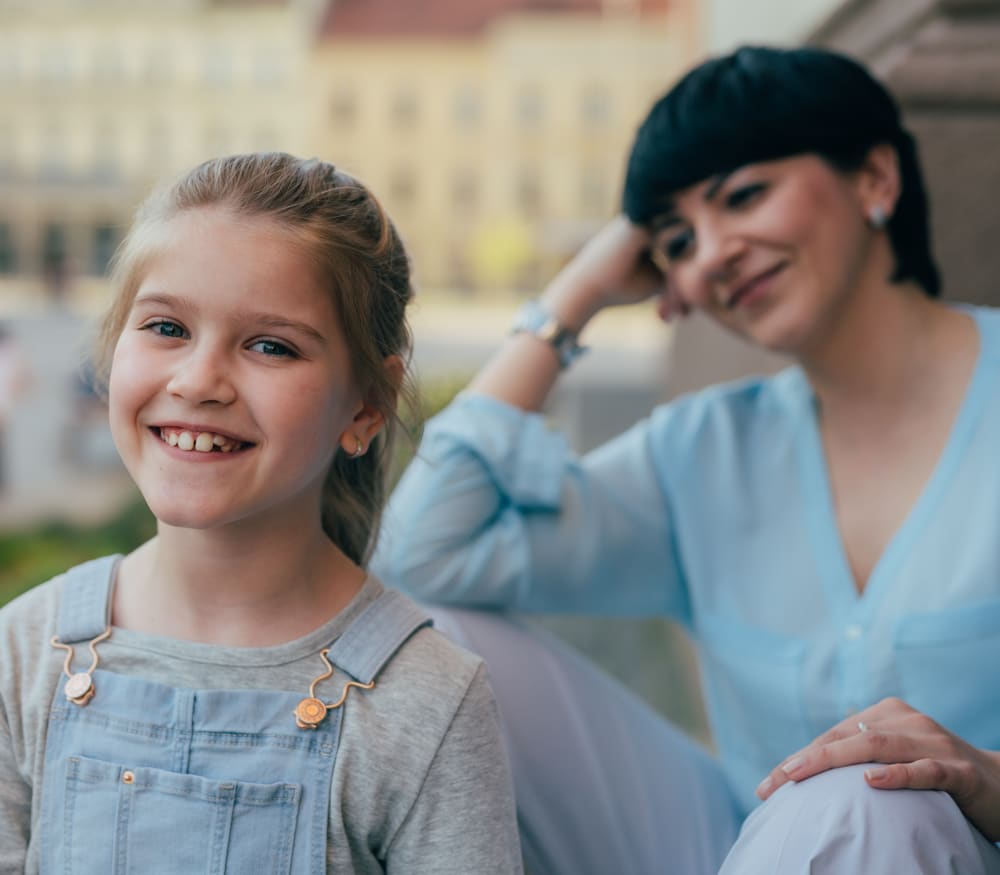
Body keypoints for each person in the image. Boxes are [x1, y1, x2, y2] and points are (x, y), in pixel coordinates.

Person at [372, 46, 1000, 874]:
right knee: (429, 640)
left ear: (875, 178)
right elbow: (422, 557)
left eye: (744, 195)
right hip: (732, 842)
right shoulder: (701, 449)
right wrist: (579, 293)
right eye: (674, 240)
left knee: (861, 797)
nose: (710, 255)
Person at [0, 153, 523, 874]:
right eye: (166, 327)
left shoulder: (427, 699)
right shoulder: (24, 653)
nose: (198, 380)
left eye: (270, 345)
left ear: (367, 404)